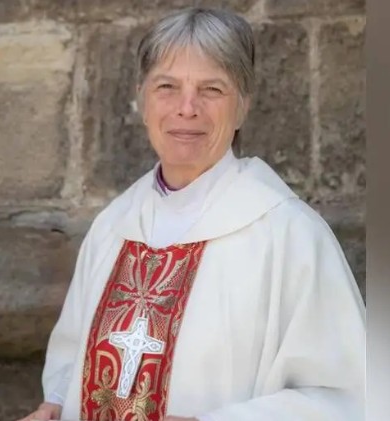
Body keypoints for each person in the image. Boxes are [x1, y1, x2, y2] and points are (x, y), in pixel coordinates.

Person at [19, 7, 365, 421]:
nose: (187, 108)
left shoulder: (290, 237)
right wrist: (55, 405)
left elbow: (347, 399)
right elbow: (69, 361)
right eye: (167, 86)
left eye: (212, 89)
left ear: (242, 108)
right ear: (143, 101)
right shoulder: (113, 227)